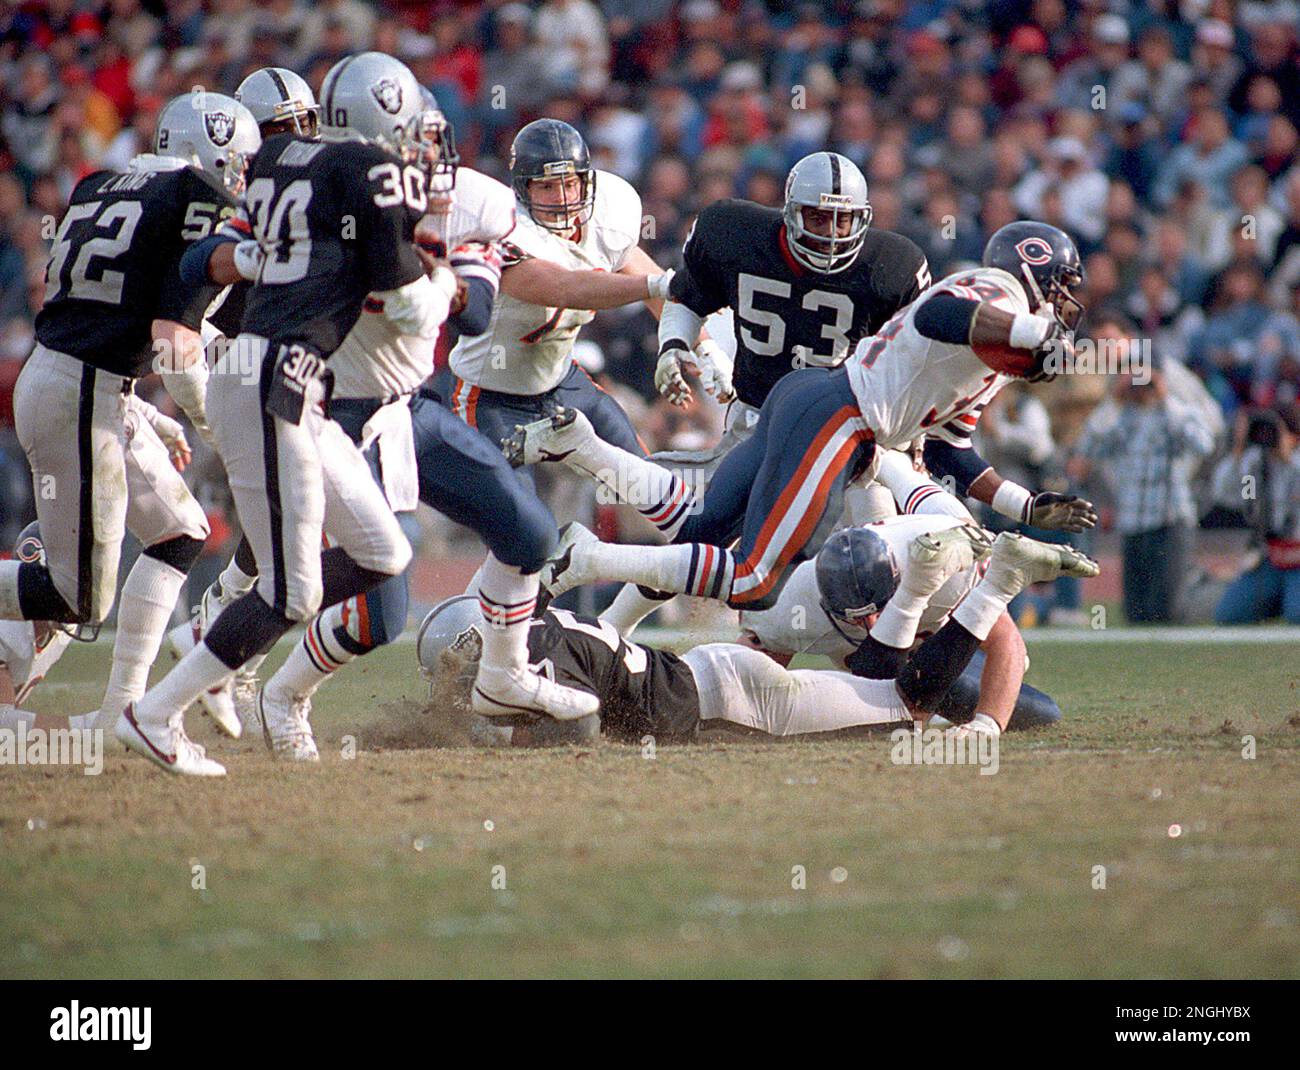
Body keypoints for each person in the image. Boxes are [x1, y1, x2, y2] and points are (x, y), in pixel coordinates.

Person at [118, 54, 595, 777]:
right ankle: (178, 695)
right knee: (308, 586)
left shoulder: (309, 174)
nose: (425, 156)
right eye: (410, 139)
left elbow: (477, 308)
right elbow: (412, 304)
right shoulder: (360, 184)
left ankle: (221, 640)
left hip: (366, 400)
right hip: (301, 386)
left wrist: (268, 256)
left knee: (390, 554)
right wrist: (455, 276)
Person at [522, 222, 1097, 615]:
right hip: (841, 416)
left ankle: (585, 448)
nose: (1066, 307)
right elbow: (942, 313)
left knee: (700, 531)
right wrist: (1032, 331)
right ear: (1035, 272)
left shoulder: (990, 363)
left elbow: (952, 453)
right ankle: (588, 557)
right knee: (753, 581)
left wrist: (1024, 505)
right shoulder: (997, 293)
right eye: (1064, 289)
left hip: (814, 400)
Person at [0, 91, 260, 747]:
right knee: (77, 596)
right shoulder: (197, 197)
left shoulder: (103, 182)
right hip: (80, 394)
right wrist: (216, 428)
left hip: (79, 379)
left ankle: (125, 711)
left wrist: (145, 409)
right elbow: (174, 343)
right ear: (218, 158)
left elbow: (98, 316)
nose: (244, 180)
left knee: (179, 531)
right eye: (241, 165)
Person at [414, 529, 1096, 747]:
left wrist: (492, 732)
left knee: (904, 705)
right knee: (887, 695)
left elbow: (578, 724)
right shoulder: (544, 629)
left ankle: (996, 580)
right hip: (715, 678)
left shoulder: (529, 662)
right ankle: (954, 585)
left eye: (452, 666)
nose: (452, 682)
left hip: (738, 700)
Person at [444, 118, 675, 499]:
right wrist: (656, 283)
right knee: (527, 536)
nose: (563, 196)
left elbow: (658, 290)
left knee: (652, 487)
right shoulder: (506, 231)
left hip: (563, 384)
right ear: (523, 190)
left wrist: (700, 348)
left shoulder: (605, 220)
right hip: (491, 398)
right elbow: (566, 288)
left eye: (570, 183)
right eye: (548, 186)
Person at [1071, 349, 1215, 623]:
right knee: (1136, 614)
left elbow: (1203, 444)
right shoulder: (1121, 417)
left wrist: (1164, 398)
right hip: (1133, 522)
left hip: (1170, 520)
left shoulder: (1179, 412)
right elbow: (1088, 448)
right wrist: (1114, 400)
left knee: (1169, 610)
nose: (1140, 384)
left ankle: (1205, 590)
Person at [1211, 405, 1300, 624]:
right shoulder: (1256, 463)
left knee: (1296, 614)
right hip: (1271, 558)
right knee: (1229, 615)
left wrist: (1288, 457)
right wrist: (1238, 452)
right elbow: (1226, 494)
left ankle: (1290, 601)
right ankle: (1280, 599)